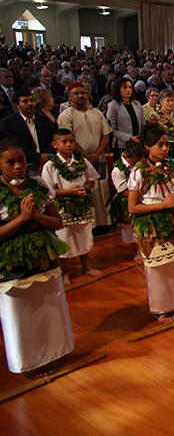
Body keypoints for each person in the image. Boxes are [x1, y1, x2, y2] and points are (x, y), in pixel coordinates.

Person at [0, 138, 73, 378]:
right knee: (21, 314)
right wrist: (21, 218)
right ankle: (29, 362)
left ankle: (54, 352)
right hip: (13, 262)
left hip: (44, 255)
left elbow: (57, 221)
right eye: (11, 162)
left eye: (20, 160)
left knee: (49, 307)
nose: (18, 166)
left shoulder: (38, 185)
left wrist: (36, 217)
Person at [128, 123, 174, 323]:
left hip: (171, 218)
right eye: (159, 145)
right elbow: (133, 207)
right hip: (152, 223)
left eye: (166, 145)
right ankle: (160, 309)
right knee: (156, 269)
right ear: (147, 147)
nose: (165, 149)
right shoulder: (138, 171)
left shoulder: (171, 166)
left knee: (173, 264)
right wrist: (162, 205)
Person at [41, 129, 102, 286]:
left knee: (84, 235)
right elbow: (48, 190)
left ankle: (86, 266)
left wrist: (86, 188)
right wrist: (71, 191)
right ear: (55, 145)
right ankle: (65, 272)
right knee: (64, 238)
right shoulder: (50, 165)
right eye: (64, 142)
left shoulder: (82, 161)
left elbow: (92, 179)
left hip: (81, 204)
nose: (69, 145)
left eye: (71, 141)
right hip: (62, 206)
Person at [58, 82, 112, 229]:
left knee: (103, 189)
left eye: (83, 93)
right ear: (69, 96)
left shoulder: (96, 113)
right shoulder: (66, 116)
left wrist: (97, 153)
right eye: (76, 93)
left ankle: (105, 222)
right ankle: (92, 225)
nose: (81, 95)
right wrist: (85, 155)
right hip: (79, 160)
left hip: (98, 158)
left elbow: (106, 135)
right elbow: (68, 138)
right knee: (88, 189)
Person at [0, 91, 54, 173]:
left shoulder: (44, 120)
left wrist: (48, 155)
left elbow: (51, 141)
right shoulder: (8, 123)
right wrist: (37, 157)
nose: (30, 104)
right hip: (24, 165)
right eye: (25, 101)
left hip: (47, 163)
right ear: (16, 105)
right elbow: (11, 147)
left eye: (31, 100)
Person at [108, 140, 143, 264]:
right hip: (126, 201)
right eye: (134, 160)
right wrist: (139, 195)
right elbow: (122, 191)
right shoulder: (118, 170)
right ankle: (136, 251)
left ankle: (144, 248)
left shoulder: (138, 164)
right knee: (130, 228)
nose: (137, 163)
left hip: (139, 197)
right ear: (126, 156)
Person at [106, 77, 145, 152]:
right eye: (125, 87)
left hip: (138, 144)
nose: (128, 90)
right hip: (121, 146)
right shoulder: (113, 105)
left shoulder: (137, 104)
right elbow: (112, 130)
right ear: (118, 89)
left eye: (130, 87)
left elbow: (142, 124)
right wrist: (130, 138)